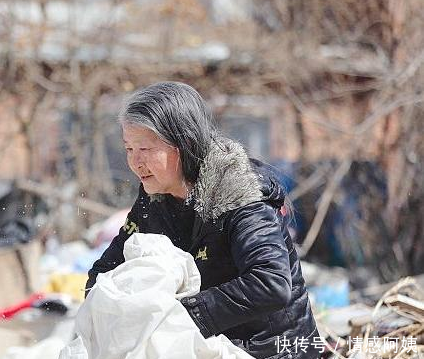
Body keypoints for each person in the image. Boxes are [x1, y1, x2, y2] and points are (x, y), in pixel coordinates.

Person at [86, 82, 320, 359]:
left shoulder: (239, 192)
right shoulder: (155, 196)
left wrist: (179, 314)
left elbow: (270, 283)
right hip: (208, 347)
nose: (135, 162)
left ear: (183, 144)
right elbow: (105, 271)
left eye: (145, 149)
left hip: (274, 350)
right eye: (128, 149)